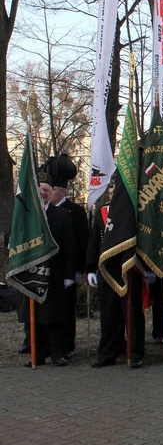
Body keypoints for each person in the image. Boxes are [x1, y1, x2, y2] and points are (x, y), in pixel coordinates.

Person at [17, 170, 75, 367]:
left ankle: (57, 354)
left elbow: (69, 247)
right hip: (30, 274)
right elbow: (11, 237)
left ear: (52, 193)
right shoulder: (24, 214)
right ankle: (37, 354)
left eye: (47, 190)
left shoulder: (63, 215)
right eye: (40, 189)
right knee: (34, 318)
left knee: (54, 316)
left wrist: (69, 275)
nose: (43, 192)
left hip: (54, 274)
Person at [86, 180, 145, 368]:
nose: (113, 197)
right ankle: (108, 353)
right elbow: (94, 241)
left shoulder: (135, 212)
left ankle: (136, 353)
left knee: (133, 314)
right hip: (107, 269)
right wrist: (89, 269)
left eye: (116, 193)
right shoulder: (102, 212)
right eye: (110, 193)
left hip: (129, 268)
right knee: (108, 314)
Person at [46, 154, 89, 359]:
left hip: (68, 268)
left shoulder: (75, 211)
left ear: (61, 191)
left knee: (67, 309)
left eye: (52, 190)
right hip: (50, 269)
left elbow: (81, 242)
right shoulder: (44, 211)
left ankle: (67, 344)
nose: (48, 194)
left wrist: (79, 269)